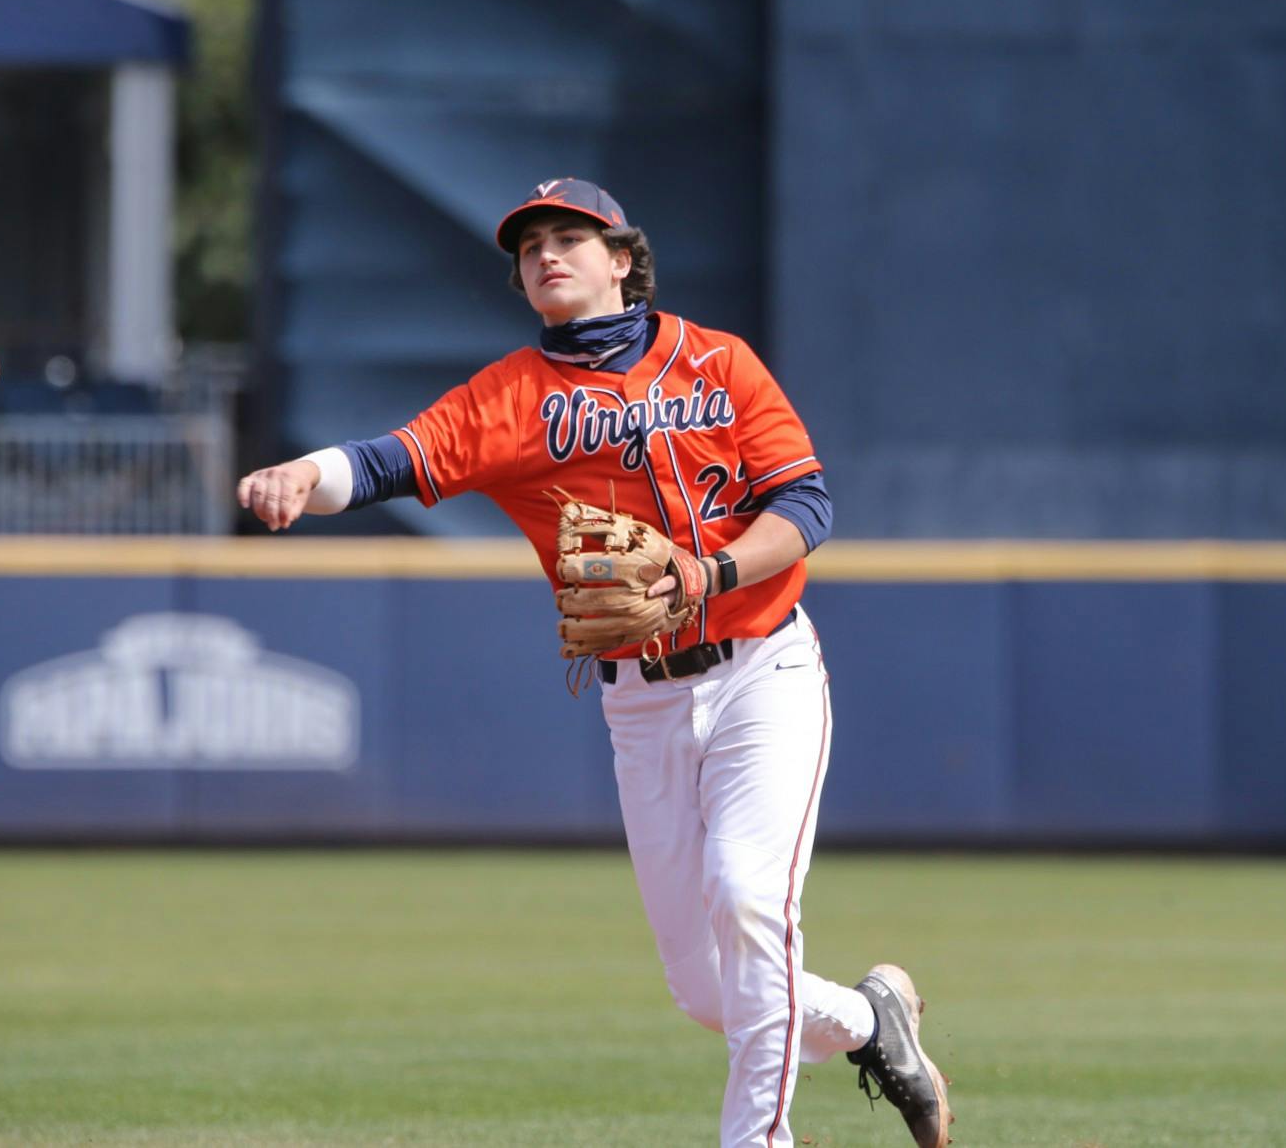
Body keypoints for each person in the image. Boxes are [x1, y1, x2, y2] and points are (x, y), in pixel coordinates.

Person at [237, 178, 952, 1148]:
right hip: (640, 701)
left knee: (749, 899)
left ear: (622, 258)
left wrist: (710, 571)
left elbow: (806, 506)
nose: (545, 255)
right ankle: (873, 1020)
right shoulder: (510, 399)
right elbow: (381, 462)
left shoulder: (718, 362)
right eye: (529, 246)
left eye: (569, 237)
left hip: (761, 671)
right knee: (707, 990)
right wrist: (298, 475)